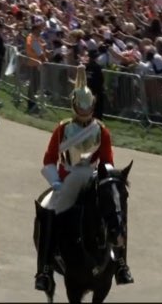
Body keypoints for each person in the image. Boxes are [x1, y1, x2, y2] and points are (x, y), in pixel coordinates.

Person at [35, 65, 133, 291]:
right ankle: (45, 269)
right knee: (48, 212)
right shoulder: (62, 129)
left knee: (117, 208)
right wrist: (56, 183)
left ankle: (120, 263)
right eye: (81, 106)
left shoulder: (102, 130)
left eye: (88, 106)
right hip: (67, 179)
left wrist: (108, 178)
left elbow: (107, 160)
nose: (85, 111)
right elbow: (49, 159)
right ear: (74, 105)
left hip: (93, 177)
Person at [25, 16, 48, 114]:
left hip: (34, 64)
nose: (40, 31)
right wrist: (45, 60)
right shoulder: (33, 39)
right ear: (35, 29)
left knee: (33, 86)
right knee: (34, 86)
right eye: (39, 29)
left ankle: (32, 104)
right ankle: (32, 105)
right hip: (35, 65)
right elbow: (39, 53)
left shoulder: (31, 37)